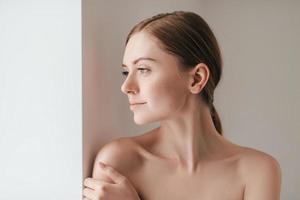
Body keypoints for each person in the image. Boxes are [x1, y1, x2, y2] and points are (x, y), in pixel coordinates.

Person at [83, 11, 282, 200]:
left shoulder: (257, 171)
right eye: (126, 72)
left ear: (196, 78)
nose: (126, 87)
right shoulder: (118, 162)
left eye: (143, 69)